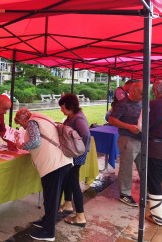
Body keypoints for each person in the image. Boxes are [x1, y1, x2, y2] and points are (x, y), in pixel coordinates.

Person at [14, 108, 72, 241]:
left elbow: (35, 142)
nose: (22, 127)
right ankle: (47, 221)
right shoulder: (43, 118)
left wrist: (21, 145)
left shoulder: (32, 122)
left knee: (51, 198)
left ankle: (49, 232)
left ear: (23, 119)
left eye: (20, 123)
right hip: (63, 160)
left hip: (53, 164)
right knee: (54, 196)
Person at [57, 94, 91, 227]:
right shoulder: (72, 117)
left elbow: (86, 135)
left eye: (62, 107)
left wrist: (78, 149)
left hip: (76, 156)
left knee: (74, 184)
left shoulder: (78, 119)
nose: (61, 110)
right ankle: (68, 204)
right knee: (68, 180)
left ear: (68, 106)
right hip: (73, 155)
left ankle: (80, 216)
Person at [108, 81, 143, 206]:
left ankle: (147, 190)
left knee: (143, 166)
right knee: (126, 167)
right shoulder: (123, 104)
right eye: (141, 94)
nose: (143, 96)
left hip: (142, 139)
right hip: (127, 139)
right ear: (132, 91)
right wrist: (128, 126)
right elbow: (111, 119)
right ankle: (125, 193)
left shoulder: (144, 102)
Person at [146, 79, 162, 225]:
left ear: (155, 92)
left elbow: (142, 126)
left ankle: (158, 216)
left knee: (154, 181)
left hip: (156, 149)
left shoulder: (152, 104)